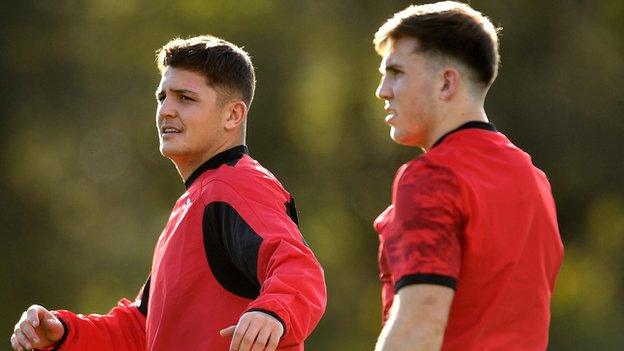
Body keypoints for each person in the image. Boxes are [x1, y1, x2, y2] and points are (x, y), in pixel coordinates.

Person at [10, 35, 326, 351]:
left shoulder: (236, 184)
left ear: (232, 115)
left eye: (185, 98)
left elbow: (299, 269)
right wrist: (64, 332)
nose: (166, 111)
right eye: (162, 97)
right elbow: (141, 331)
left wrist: (272, 312)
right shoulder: (193, 202)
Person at [371, 2, 564, 350]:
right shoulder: (535, 180)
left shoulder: (433, 177)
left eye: (396, 72)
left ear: (447, 83)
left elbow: (420, 326)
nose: (382, 90)